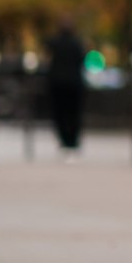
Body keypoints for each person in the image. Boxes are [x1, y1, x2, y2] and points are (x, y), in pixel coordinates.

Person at [45, 19, 86, 162]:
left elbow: (48, 61)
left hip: (57, 84)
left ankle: (64, 142)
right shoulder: (77, 44)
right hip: (74, 83)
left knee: (60, 114)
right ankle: (72, 142)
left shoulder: (53, 43)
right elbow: (82, 61)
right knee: (74, 114)